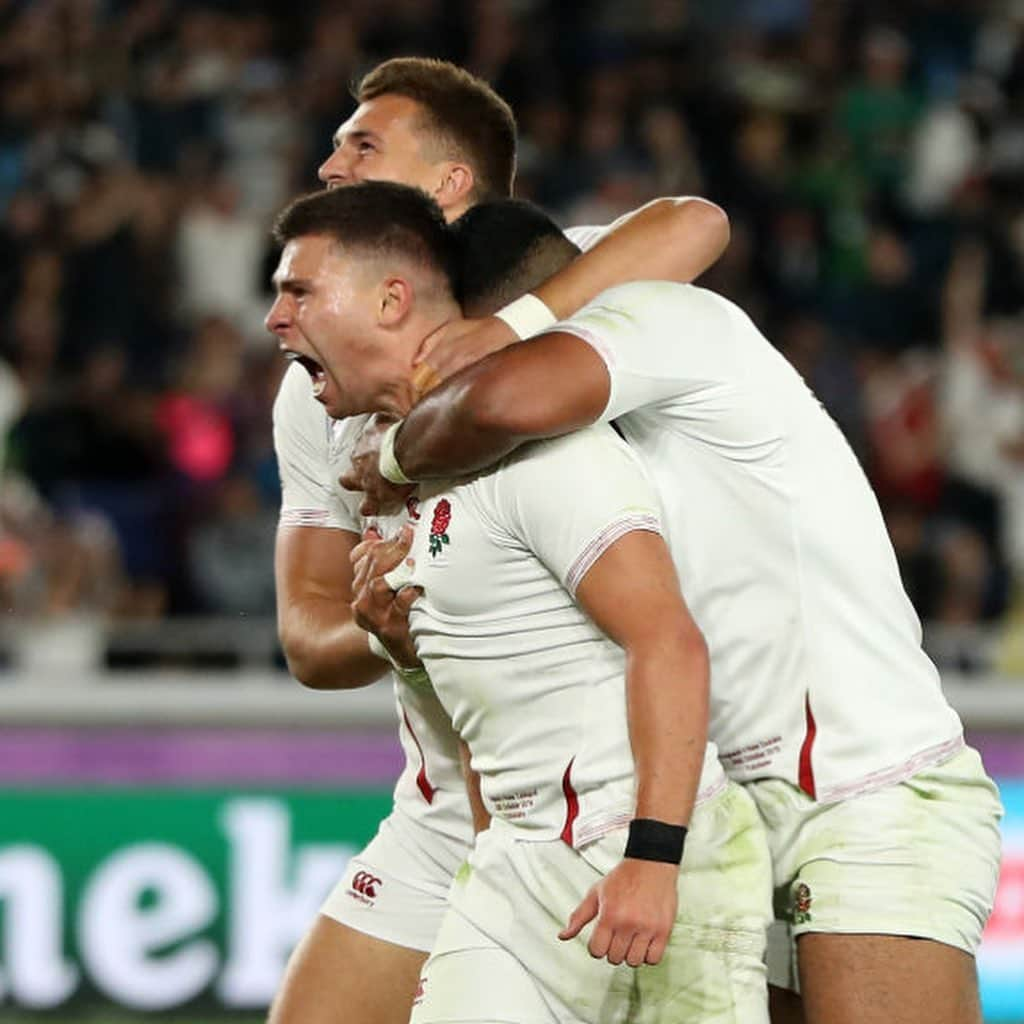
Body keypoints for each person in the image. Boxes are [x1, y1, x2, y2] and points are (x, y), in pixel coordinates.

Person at [343, 197, 1004, 1024]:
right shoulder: (571, 452)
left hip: (861, 789)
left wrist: (396, 454)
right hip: (729, 807)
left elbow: (504, 396)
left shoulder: (666, 317)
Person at [270, 56, 732, 1024]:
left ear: (447, 183)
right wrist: (391, 632)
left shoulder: (558, 277)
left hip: (625, 785)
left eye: (362, 144)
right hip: (449, 802)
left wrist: (515, 326)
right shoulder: (316, 385)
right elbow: (309, 637)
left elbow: (699, 221)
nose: (330, 164)